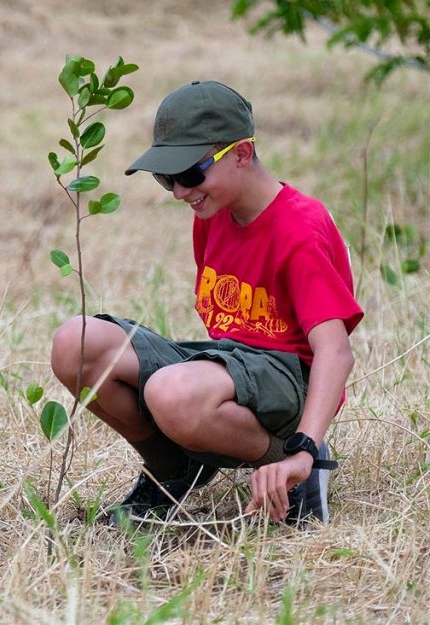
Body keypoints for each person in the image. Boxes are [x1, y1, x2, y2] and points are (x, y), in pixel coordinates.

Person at [51, 80, 363, 526]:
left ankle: (294, 470)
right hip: (230, 363)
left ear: (241, 153)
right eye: (167, 178)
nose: (180, 191)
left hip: (289, 380)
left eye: (191, 174)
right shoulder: (214, 214)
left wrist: (305, 445)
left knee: (170, 392)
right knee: (76, 342)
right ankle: (173, 473)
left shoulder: (299, 227)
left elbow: (335, 351)